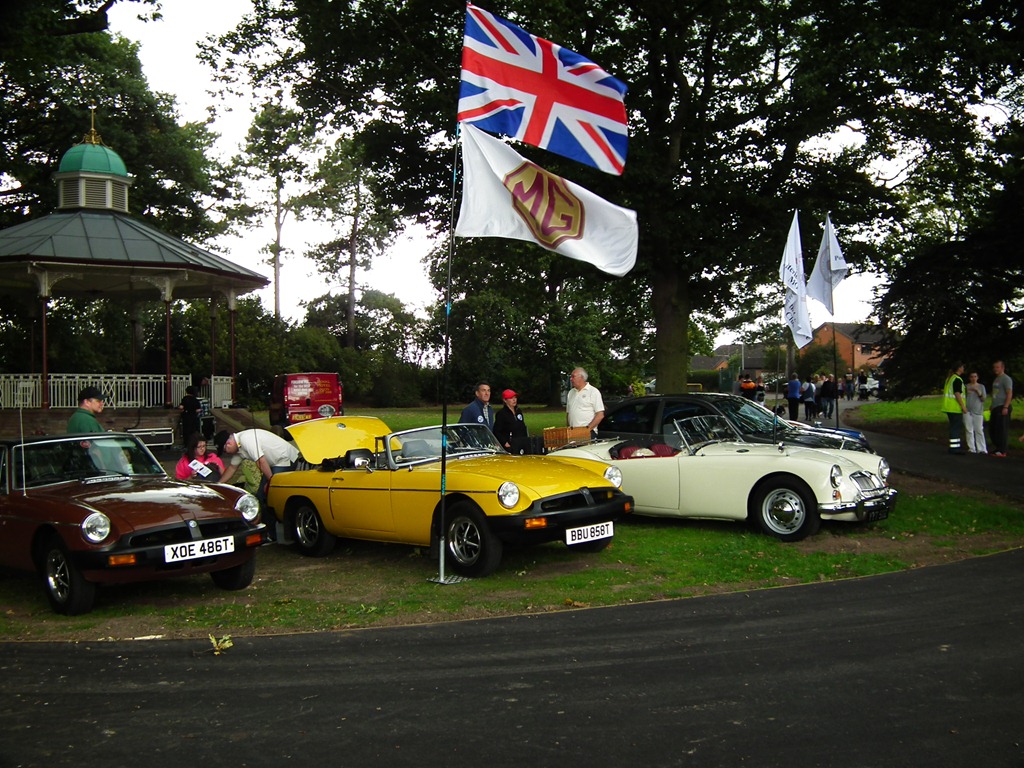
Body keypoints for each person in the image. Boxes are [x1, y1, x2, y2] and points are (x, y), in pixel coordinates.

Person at [214, 428, 300, 539]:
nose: (227, 454)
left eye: (225, 451)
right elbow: (231, 468)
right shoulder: (238, 450)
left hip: (285, 459)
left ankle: (278, 533)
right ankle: (268, 531)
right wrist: (218, 484)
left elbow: (261, 461)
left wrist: (271, 481)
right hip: (274, 462)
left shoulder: (246, 439)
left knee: (271, 494)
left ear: (229, 444)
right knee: (260, 495)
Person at [566, 367, 605, 436]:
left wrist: (586, 430)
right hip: (572, 433)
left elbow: (600, 415)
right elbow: (568, 414)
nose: (571, 379)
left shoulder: (593, 392)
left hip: (588, 433)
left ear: (582, 377)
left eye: (573, 376)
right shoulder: (571, 393)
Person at [940, 362, 967, 454]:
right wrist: (963, 406)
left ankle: (953, 447)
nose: (963, 368)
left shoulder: (950, 378)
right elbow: (957, 393)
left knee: (953, 427)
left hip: (949, 407)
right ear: (959, 368)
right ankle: (955, 448)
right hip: (955, 407)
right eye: (962, 367)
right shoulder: (957, 379)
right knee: (956, 427)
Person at [989, 360, 1013, 458]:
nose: (995, 369)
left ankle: (1002, 450)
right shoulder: (997, 379)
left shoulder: (1006, 379)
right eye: (994, 367)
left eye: (997, 367)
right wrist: (992, 405)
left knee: (1001, 429)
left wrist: (1005, 406)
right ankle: (998, 448)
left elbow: (1009, 393)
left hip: (1002, 407)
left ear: (1002, 368)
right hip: (995, 406)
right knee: (993, 429)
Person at [493, 389, 530, 454]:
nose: (514, 400)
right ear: (505, 400)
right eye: (511, 398)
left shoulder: (518, 411)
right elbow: (497, 431)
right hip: (511, 444)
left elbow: (522, 426)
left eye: (515, 397)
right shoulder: (501, 414)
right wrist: (505, 443)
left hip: (521, 442)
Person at [964, 371, 988, 455]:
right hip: (967, 410)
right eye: (971, 377)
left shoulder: (981, 386)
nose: (973, 378)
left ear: (977, 377)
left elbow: (983, 399)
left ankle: (981, 448)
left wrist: (977, 392)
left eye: (975, 376)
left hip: (978, 410)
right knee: (969, 429)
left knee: (979, 429)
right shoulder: (966, 387)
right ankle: (971, 448)